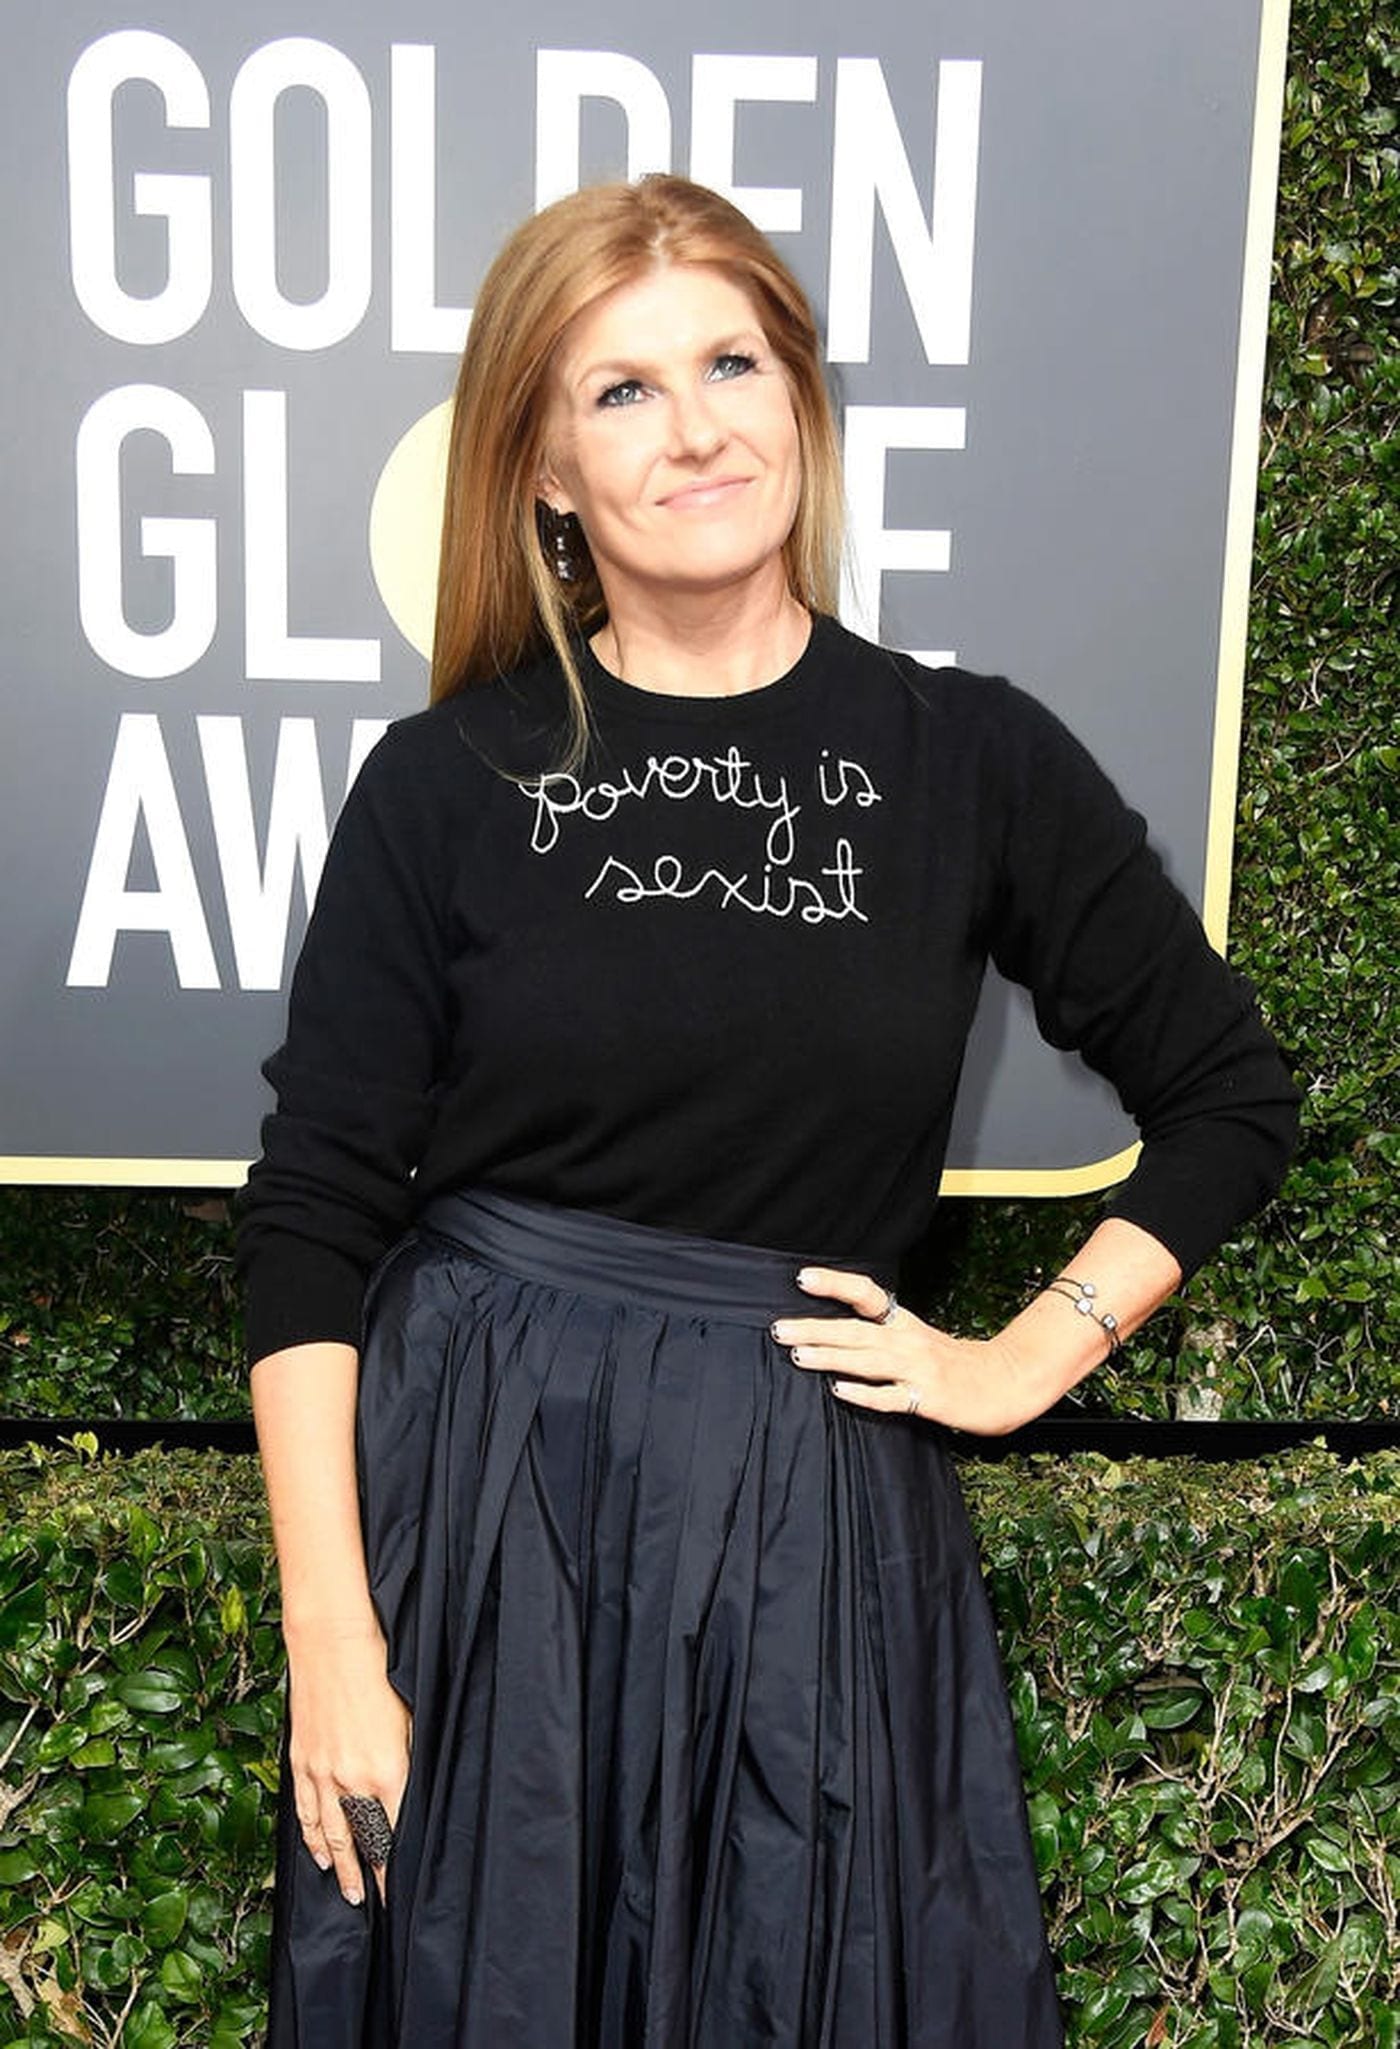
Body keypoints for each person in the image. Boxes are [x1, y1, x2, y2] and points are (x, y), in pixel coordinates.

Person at [236, 175, 1298, 2047]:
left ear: (800, 399)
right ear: (546, 471)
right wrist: (335, 1638)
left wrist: (1023, 1357)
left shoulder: (969, 760)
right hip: (489, 1524)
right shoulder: (442, 783)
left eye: (732, 361)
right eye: (623, 391)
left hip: (801, 1530)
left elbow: (1229, 1095)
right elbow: (314, 1212)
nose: (698, 426)